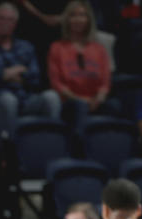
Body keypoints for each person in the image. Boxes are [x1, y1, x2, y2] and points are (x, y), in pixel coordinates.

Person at [0, 2, 62, 145]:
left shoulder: (26, 46)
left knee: (52, 97)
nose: (5, 23)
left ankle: (52, 145)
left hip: (25, 98)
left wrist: (3, 75)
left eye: (10, 19)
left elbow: (35, 78)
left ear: (15, 23)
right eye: (1, 18)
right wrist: (10, 72)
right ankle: (9, 153)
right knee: (8, 99)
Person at [47, 0, 118, 134]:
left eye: (82, 15)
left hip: (95, 101)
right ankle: (80, 149)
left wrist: (99, 98)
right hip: (70, 103)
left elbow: (105, 82)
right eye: (73, 15)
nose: (78, 19)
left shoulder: (99, 49)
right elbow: (57, 84)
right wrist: (80, 99)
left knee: (114, 106)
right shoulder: (57, 48)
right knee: (80, 107)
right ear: (67, 19)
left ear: (88, 19)